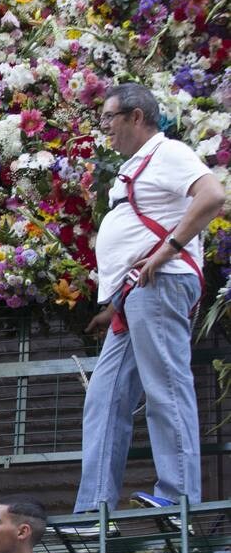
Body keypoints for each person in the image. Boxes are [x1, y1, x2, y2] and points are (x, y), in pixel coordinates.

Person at [74, 83, 225, 514]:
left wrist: (166, 252)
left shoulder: (168, 153)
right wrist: (114, 304)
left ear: (136, 117)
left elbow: (212, 195)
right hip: (136, 297)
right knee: (104, 399)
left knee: (166, 390)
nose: (105, 129)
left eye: (109, 118)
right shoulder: (140, 163)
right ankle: (94, 509)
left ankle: (179, 499)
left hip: (160, 286)